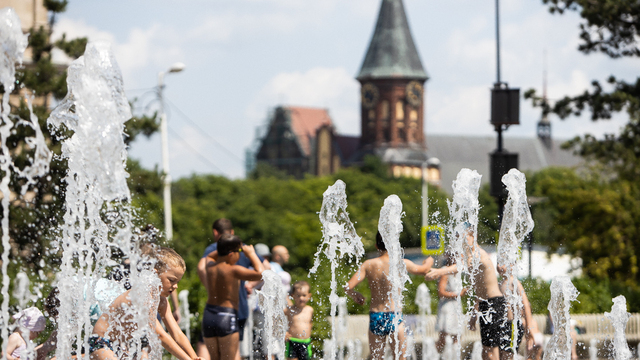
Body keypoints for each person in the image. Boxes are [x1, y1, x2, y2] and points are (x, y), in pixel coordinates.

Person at [90, 246, 200, 360]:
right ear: (154, 274)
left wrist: (194, 357)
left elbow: (177, 333)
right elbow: (160, 335)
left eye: (177, 282)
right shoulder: (140, 297)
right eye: (172, 280)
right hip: (102, 342)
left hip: (122, 346)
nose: (176, 286)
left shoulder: (162, 301)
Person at [344, 232, 434, 360]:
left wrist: (355, 295)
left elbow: (347, 287)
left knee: (377, 358)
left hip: (376, 316)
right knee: (400, 358)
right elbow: (424, 270)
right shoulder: (400, 263)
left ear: (376, 246)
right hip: (394, 315)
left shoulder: (368, 264)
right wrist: (429, 260)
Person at [425, 226, 505, 360]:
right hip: (486, 304)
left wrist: (439, 271)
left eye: (464, 238)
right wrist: (474, 313)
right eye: (459, 239)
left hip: (494, 303)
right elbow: (479, 291)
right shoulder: (471, 257)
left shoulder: (479, 254)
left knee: (491, 351)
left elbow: (462, 266)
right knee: (486, 351)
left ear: (474, 237)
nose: (461, 242)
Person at [196, 219, 269, 360]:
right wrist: (251, 254)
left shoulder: (210, 265)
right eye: (239, 252)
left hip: (209, 316)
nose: (240, 254)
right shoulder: (234, 270)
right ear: (231, 254)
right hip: (226, 316)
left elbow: (211, 255)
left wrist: (225, 247)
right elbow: (261, 272)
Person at [496, 264, 542, 360]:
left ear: (511, 266)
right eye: (498, 263)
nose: (499, 266)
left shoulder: (514, 282)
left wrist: (529, 328)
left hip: (512, 325)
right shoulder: (499, 283)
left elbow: (525, 305)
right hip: (501, 325)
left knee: (508, 355)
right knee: (500, 355)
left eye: (503, 263)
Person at [435, 252, 467, 354]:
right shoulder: (445, 271)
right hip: (447, 307)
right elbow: (441, 292)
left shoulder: (457, 272)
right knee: (444, 336)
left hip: (456, 306)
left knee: (457, 336)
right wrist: (459, 294)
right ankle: (435, 356)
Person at [284, 281, 314, 360]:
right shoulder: (289, 310)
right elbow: (276, 319)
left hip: (306, 342)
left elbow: (310, 323)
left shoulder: (310, 310)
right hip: (292, 341)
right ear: (293, 296)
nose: (301, 298)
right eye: (298, 295)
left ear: (309, 296)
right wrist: (284, 332)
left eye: (304, 295)